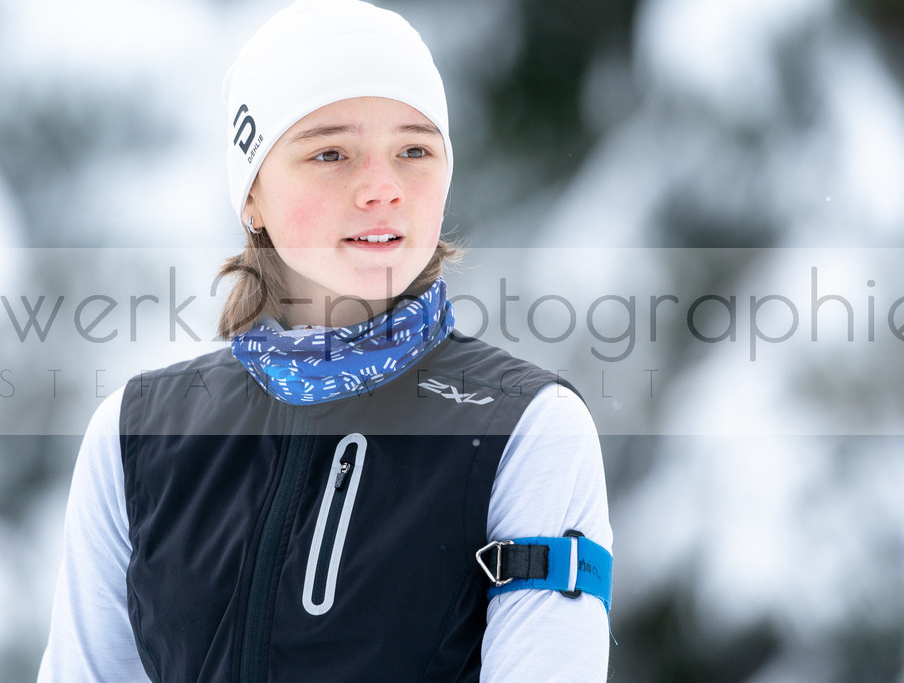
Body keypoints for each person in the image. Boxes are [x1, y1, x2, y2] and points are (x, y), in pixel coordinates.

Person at [38, 1, 613, 680]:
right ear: (252, 193)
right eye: (331, 153)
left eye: (414, 150)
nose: (383, 188)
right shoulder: (137, 434)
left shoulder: (529, 427)